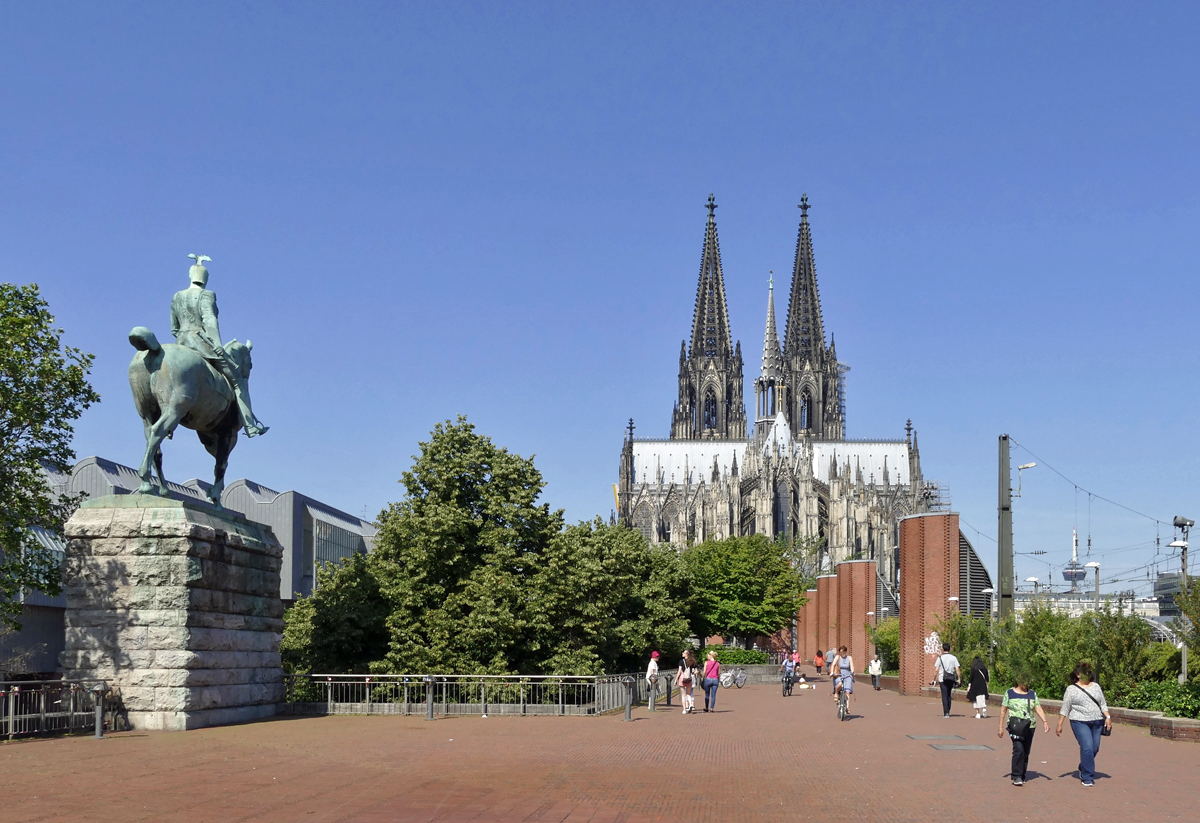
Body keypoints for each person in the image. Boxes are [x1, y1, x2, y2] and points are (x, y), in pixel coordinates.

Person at [170, 255, 268, 437]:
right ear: (205, 279)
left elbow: (174, 328)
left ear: (191, 276)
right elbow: (210, 320)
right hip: (202, 344)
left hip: (181, 343)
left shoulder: (177, 296)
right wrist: (217, 344)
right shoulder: (207, 295)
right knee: (239, 382)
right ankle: (250, 425)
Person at [1056, 662, 1112, 787]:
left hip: (1097, 721)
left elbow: (1103, 703)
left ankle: (1083, 766)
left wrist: (1108, 717)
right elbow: (1065, 707)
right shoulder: (1071, 689)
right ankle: (1087, 777)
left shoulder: (1096, 686)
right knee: (1087, 747)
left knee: (1094, 747)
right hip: (1079, 721)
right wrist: (1060, 724)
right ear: (1078, 675)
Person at [997, 675, 1050, 786]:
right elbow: (1003, 710)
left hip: (1029, 726)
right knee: (1018, 749)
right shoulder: (1009, 693)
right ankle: (1016, 776)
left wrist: (1045, 721)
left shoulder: (1032, 694)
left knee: (1026, 751)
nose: (1025, 684)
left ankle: (1022, 774)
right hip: (1015, 726)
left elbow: (1038, 707)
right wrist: (1000, 727)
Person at [934, 643, 961, 718]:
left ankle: (946, 712)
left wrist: (933, 679)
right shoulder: (953, 658)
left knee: (944, 695)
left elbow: (936, 670)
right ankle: (948, 710)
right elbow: (957, 669)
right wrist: (959, 679)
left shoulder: (940, 658)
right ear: (949, 649)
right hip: (951, 678)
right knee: (949, 694)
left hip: (942, 679)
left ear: (943, 649)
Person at [677, 649, 698, 714]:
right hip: (689, 679)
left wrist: (676, 679)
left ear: (686, 654)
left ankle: (684, 709)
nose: (682, 653)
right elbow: (696, 671)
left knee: (683, 695)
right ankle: (691, 704)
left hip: (682, 679)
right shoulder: (693, 661)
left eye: (684, 652)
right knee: (688, 694)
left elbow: (679, 671)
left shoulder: (681, 661)